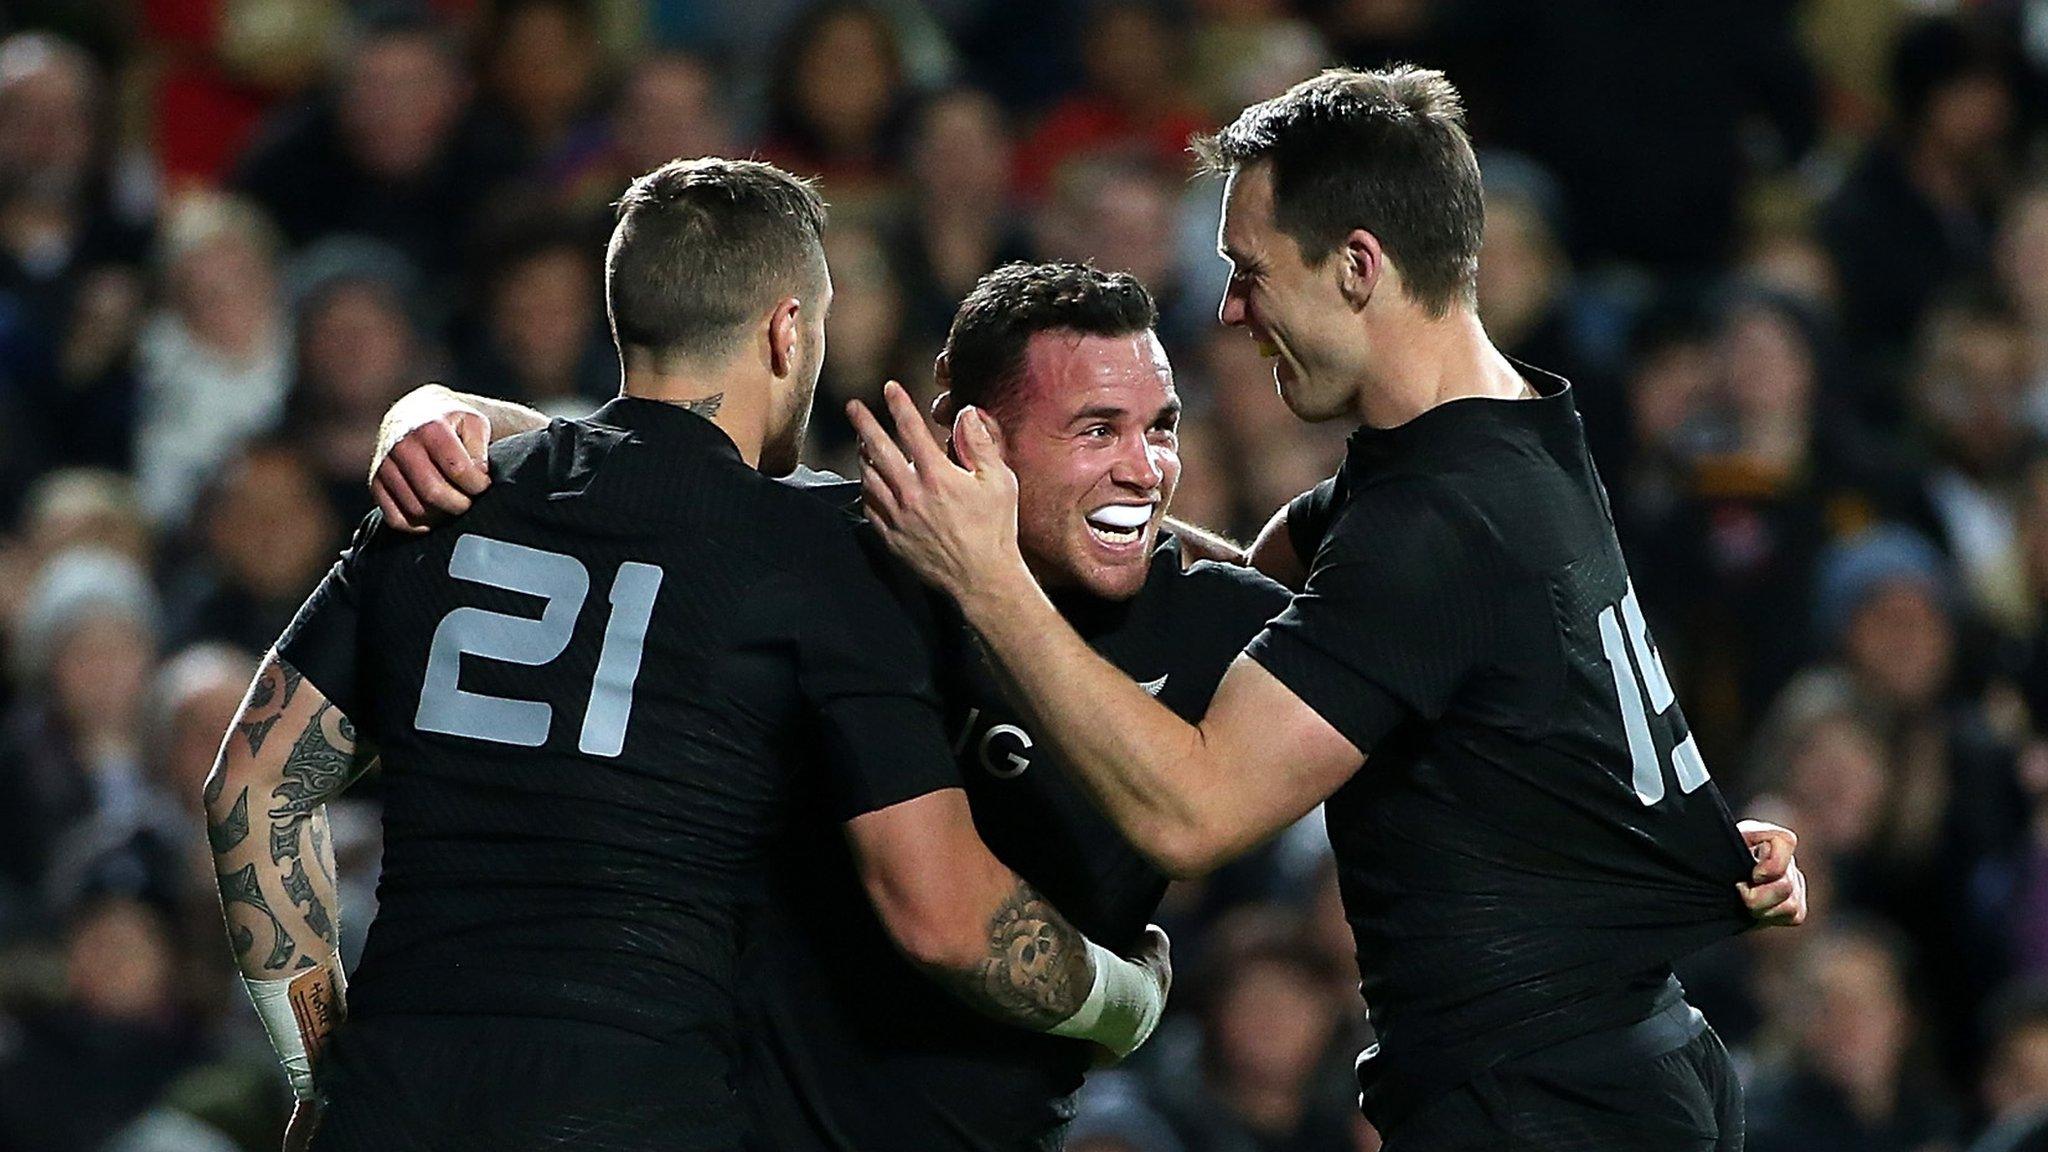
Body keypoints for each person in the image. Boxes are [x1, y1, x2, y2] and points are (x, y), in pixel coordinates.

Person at [376, 259, 1809, 1151]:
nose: (1148, 468)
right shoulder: (840, 557)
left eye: (1166, 426)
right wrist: (430, 414)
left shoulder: (1234, 631)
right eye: (1100, 430)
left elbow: (1498, 739)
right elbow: (622, 457)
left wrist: (1690, 839)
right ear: (972, 443)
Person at [845, 67, 1806, 1151]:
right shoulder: (1499, 434)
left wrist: (987, 580)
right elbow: (1275, 587)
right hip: (1601, 1070)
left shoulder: (1434, 528)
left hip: (1549, 1104)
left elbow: (1192, 810)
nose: (1230, 309)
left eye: (1251, 270)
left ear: (1357, 266)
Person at [204, 160, 1169, 1152]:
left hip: (394, 1103)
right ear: (787, 330)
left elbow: (252, 790)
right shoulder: (828, 552)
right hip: (638, 1105)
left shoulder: (440, 496)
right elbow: (947, 916)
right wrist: (1121, 1001)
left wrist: (318, 1076)